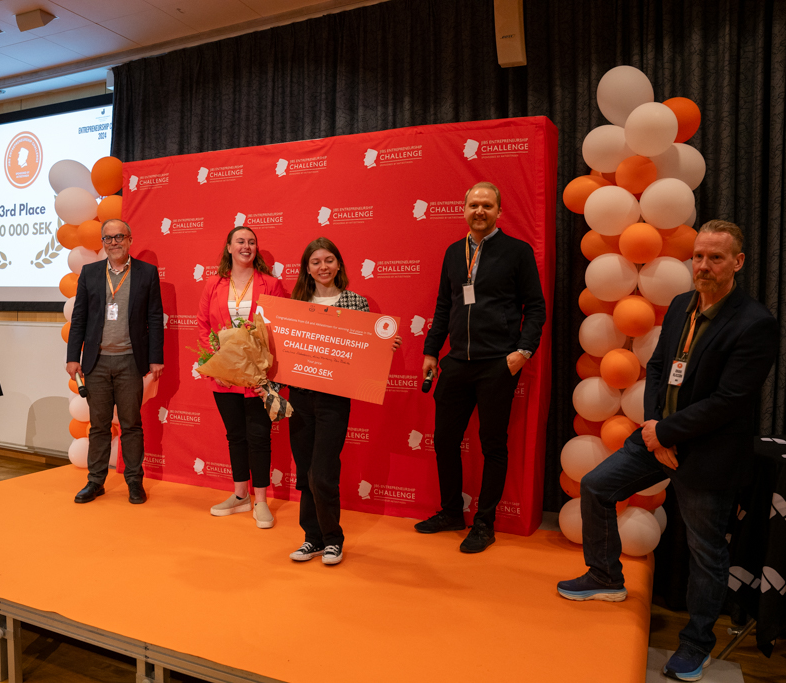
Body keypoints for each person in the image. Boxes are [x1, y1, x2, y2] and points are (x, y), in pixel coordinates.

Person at [557, 220, 778, 682]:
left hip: (708, 454)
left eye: (715, 257)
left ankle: (696, 644)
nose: (703, 265)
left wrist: (667, 434)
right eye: (698, 256)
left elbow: (730, 401)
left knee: (705, 553)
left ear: (737, 262)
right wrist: (655, 427)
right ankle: (605, 576)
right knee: (596, 486)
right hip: (658, 436)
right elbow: (658, 368)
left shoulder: (755, 323)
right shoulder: (681, 305)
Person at [415, 181, 546, 553]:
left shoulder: (517, 251)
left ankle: (484, 523)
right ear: (464, 209)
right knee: (444, 440)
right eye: (474, 205)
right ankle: (451, 512)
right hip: (457, 361)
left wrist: (523, 352)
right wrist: (430, 351)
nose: (480, 211)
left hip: (497, 364)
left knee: (493, 445)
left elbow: (536, 307)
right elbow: (444, 306)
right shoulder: (453, 252)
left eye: (487, 205)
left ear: (499, 211)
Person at [268, 237, 401, 566]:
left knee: (323, 473)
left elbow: (365, 351)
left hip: (334, 401)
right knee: (305, 473)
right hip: (300, 399)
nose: (323, 266)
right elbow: (281, 352)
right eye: (315, 262)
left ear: (338, 264)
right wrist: (269, 387)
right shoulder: (295, 303)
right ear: (307, 268)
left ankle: (332, 540)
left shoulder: (355, 302)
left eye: (328, 260)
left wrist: (384, 347)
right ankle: (311, 539)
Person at [66, 218, 164, 505]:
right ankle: (95, 482)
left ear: (130, 239)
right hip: (96, 363)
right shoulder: (90, 273)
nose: (114, 242)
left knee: (131, 425)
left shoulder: (146, 273)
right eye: (108, 238)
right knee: (98, 426)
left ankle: (134, 482)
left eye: (119, 237)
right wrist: (73, 357)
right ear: (103, 243)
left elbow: (154, 317)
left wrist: (155, 358)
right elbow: (79, 318)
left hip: (130, 362)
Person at [197, 226, 287, 528]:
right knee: (235, 435)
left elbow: (278, 328)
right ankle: (240, 495)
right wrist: (217, 367)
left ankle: (260, 500)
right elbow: (203, 326)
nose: (246, 246)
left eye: (251, 242)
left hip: (258, 377)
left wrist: (263, 371)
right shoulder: (214, 284)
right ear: (229, 247)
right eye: (240, 241)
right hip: (224, 378)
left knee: (259, 437)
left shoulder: (271, 284)